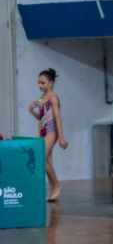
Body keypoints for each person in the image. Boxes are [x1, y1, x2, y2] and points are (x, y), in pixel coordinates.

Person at [28, 68, 68, 202]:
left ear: (51, 83)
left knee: (41, 158)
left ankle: (56, 184)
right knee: (47, 162)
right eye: (38, 83)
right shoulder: (41, 98)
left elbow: (57, 118)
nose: (40, 85)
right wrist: (31, 111)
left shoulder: (53, 97)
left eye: (43, 83)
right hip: (43, 132)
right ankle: (53, 187)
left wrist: (61, 137)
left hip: (52, 131)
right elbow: (41, 118)